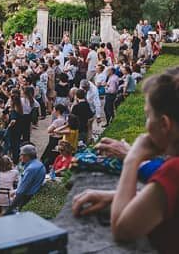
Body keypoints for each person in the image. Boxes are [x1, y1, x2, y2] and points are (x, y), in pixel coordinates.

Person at [72, 67, 179, 251]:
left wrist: (133, 158)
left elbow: (123, 229)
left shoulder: (173, 171)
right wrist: (120, 196)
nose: (146, 124)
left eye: (147, 115)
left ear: (164, 124)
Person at [7, 144, 44, 214]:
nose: (20, 157)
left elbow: (22, 190)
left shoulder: (31, 169)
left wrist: (11, 208)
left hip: (27, 198)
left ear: (27, 156)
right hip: (33, 195)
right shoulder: (39, 164)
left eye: (22, 155)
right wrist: (16, 191)